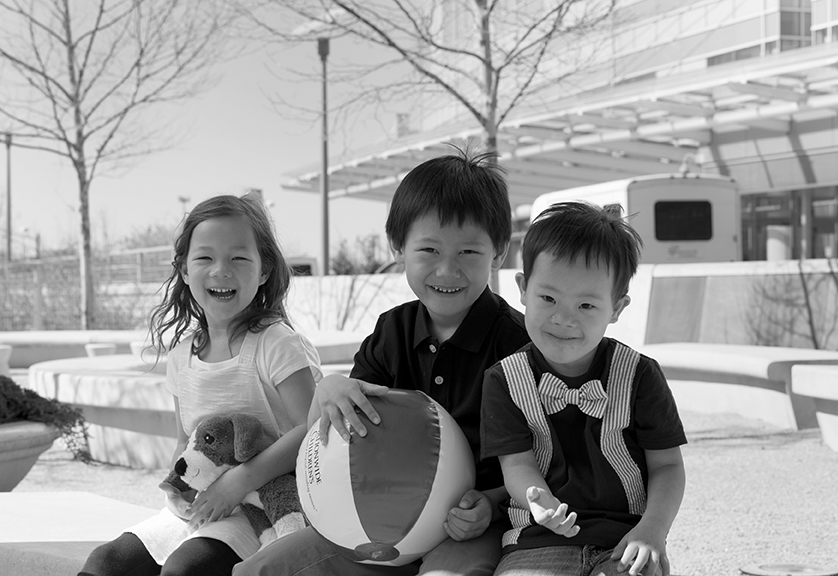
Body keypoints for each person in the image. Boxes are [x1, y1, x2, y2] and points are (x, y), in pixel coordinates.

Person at [234, 149, 532, 576]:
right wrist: (329, 388)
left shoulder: (518, 344)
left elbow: (545, 459)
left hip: (472, 526)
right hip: (375, 519)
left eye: (469, 252)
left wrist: (492, 502)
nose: (447, 270)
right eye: (429, 250)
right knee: (258, 571)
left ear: (499, 253)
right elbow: (330, 434)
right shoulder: (391, 330)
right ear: (398, 248)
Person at [79, 193, 322, 576]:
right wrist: (176, 488)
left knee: (186, 569)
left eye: (239, 258)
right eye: (205, 257)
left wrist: (237, 483)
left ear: (264, 270)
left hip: (267, 510)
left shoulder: (277, 344)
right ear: (184, 269)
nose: (221, 270)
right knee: (105, 563)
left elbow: (312, 429)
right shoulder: (181, 356)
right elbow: (185, 440)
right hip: (205, 508)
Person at [480, 201, 687, 576]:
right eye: (548, 298)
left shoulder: (639, 375)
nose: (563, 318)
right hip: (537, 541)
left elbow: (668, 465)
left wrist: (653, 530)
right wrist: (538, 501)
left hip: (625, 540)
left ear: (616, 308)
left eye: (587, 305)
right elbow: (517, 464)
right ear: (523, 289)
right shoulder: (504, 379)